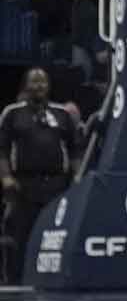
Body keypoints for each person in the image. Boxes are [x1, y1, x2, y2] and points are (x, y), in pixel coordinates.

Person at [0, 68, 82, 285]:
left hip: (57, 184)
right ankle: (16, 281)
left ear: (49, 86)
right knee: (21, 235)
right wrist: (6, 177)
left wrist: (77, 176)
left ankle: (52, 279)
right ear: (26, 85)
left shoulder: (61, 113)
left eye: (43, 82)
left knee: (55, 235)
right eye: (34, 82)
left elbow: (74, 149)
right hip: (23, 185)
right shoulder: (13, 113)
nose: (39, 86)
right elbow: (2, 149)